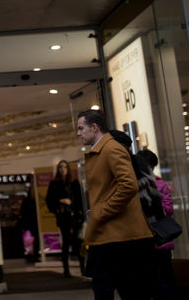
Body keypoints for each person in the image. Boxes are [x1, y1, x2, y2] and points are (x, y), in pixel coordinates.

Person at [76, 109, 155, 300]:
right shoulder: (103, 150)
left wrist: (101, 210)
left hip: (118, 235)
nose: (78, 133)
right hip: (112, 233)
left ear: (94, 128)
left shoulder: (111, 149)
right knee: (118, 287)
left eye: (81, 128)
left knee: (117, 288)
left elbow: (129, 185)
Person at [138, 149, 179, 300]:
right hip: (145, 240)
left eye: (151, 166)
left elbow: (168, 209)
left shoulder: (160, 184)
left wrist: (155, 205)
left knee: (166, 277)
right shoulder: (138, 184)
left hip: (161, 240)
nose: (149, 169)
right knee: (151, 279)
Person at [45, 160, 84, 277]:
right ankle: (66, 269)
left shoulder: (75, 183)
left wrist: (75, 206)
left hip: (76, 217)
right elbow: (49, 200)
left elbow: (81, 200)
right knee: (66, 242)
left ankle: (83, 268)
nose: (62, 169)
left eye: (65, 167)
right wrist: (60, 201)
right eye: (60, 167)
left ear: (68, 169)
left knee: (78, 242)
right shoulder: (54, 184)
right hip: (63, 217)